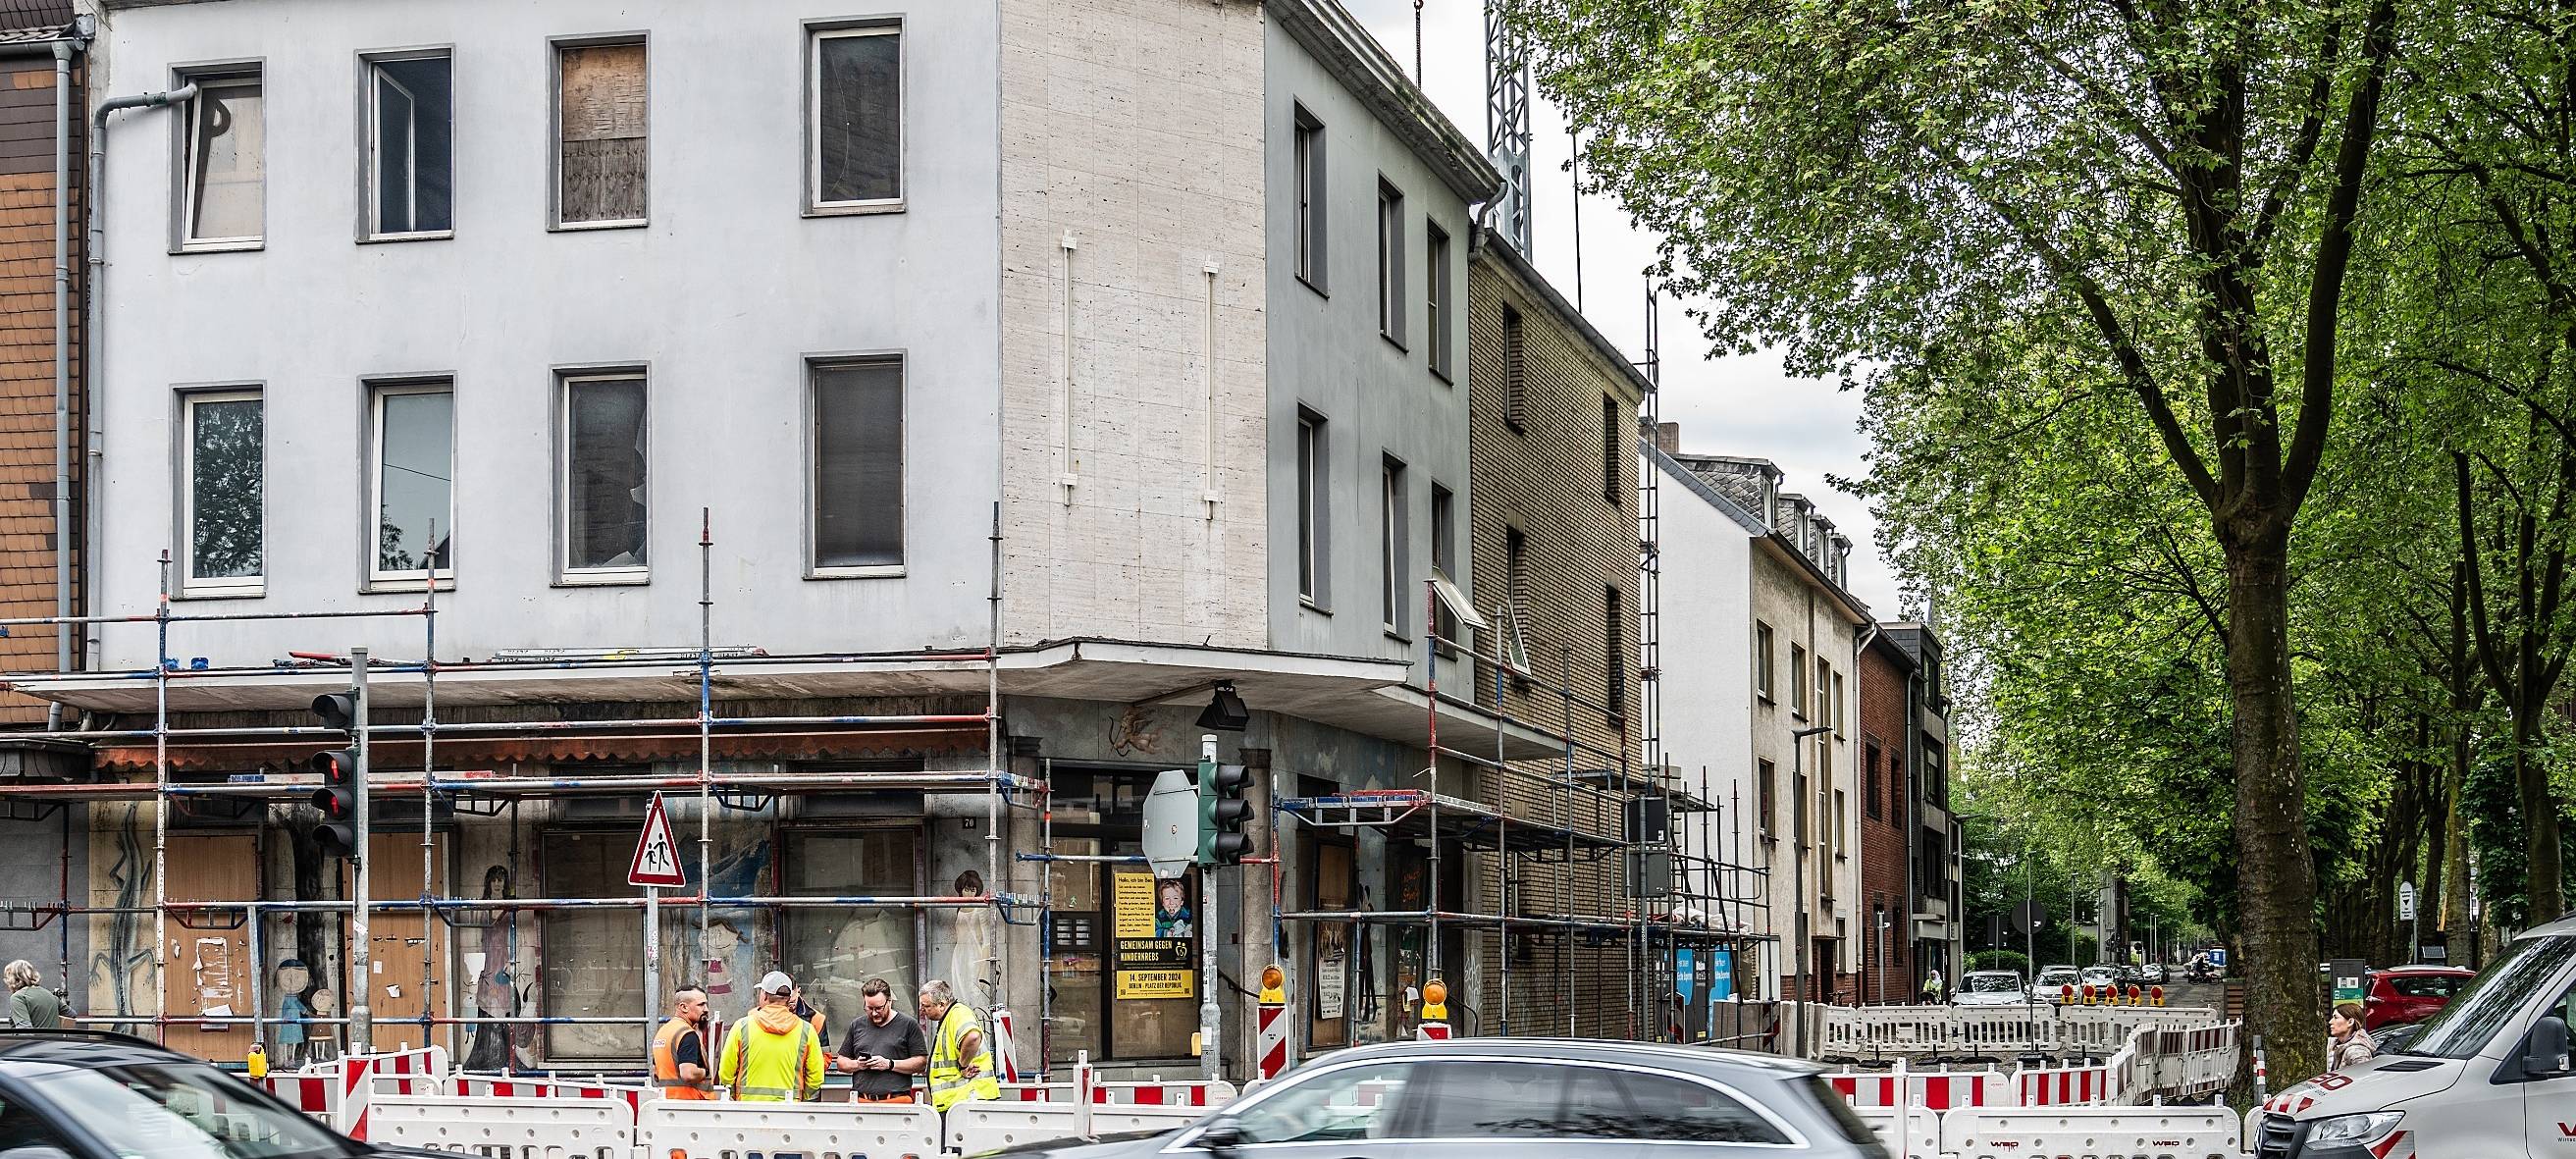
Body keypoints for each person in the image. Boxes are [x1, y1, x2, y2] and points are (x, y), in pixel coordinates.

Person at [716, 972, 826, 1102]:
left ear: (765, 996)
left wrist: (735, 1095)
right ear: (788, 998)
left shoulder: (742, 1027)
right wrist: (802, 1097)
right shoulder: (806, 1030)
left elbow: (725, 1073)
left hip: (748, 1109)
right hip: (790, 1109)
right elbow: (816, 1077)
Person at [833, 978, 929, 1104]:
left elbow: (921, 1063)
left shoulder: (908, 1025)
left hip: (897, 1101)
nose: (874, 1013)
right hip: (861, 1100)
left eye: (879, 1008)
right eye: (869, 1008)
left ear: (889, 1002)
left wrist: (890, 1064)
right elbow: (841, 1062)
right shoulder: (857, 1025)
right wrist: (858, 1064)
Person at [918, 978, 1001, 1111]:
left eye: (926, 1006)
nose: (921, 1010)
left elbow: (973, 1037)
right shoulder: (951, 1017)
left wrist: (963, 1065)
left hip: (965, 1101)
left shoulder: (958, 1013)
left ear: (942, 1004)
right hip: (961, 1102)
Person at [651, 985, 713, 1100]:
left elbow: (656, 1072)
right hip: (689, 1105)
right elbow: (688, 1074)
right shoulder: (687, 1034)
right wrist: (706, 1072)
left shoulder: (663, 1031)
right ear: (684, 1007)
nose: (706, 1009)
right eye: (701, 1005)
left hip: (667, 1102)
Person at [2328, 1001, 2377, 1072]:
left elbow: (2363, 1078)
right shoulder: (2337, 1044)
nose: (2330, 1022)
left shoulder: (2358, 1052)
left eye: (2336, 1017)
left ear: (2350, 1022)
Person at [4, 963, 55, 1030]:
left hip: (35, 1041)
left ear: (13, 979)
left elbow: (25, 1030)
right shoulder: (49, 994)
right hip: (55, 1040)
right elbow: (72, 1015)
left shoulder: (18, 997)